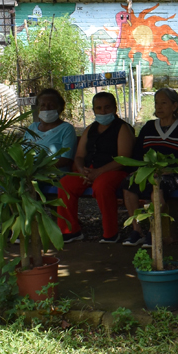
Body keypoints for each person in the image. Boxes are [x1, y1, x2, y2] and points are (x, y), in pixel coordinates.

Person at [120, 87, 178, 247]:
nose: (159, 107)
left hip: (173, 174)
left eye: (164, 103)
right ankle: (137, 230)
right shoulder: (148, 127)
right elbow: (137, 154)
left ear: (174, 106)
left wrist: (168, 170)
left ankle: (152, 233)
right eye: (156, 103)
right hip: (148, 171)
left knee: (158, 185)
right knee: (128, 185)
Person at [57, 91, 134, 243]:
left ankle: (111, 233)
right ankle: (70, 230)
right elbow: (79, 156)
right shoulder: (90, 129)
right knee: (65, 184)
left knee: (102, 186)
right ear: (93, 110)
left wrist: (98, 172)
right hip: (89, 170)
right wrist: (82, 171)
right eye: (98, 108)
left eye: (107, 107)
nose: (103, 111)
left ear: (115, 108)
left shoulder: (122, 128)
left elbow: (124, 159)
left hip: (114, 171)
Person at [24, 88, 76, 171]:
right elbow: (23, 150)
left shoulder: (66, 129)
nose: (46, 108)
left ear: (60, 108)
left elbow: (66, 159)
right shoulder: (32, 127)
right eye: (43, 105)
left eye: (51, 105)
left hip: (53, 174)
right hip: (29, 173)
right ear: (38, 108)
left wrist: (39, 169)